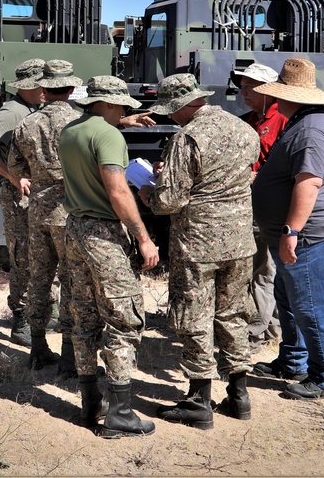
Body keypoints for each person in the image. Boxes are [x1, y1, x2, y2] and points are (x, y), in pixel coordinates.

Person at [138, 74, 259, 429]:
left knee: (194, 317)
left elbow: (167, 202)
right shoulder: (243, 130)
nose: (170, 117)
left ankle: (198, 399)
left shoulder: (187, 137)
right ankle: (239, 395)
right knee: (233, 314)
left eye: (170, 111)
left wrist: (147, 191)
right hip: (239, 241)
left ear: (180, 105)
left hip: (199, 244)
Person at [60, 75, 159, 439]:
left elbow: (96, 135)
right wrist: (144, 238)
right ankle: (120, 412)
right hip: (104, 234)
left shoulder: (70, 131)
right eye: (121, 106)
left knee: (83, 317)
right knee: (124, 319)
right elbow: (117, 191)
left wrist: (122, 123)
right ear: (108, 103)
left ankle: (90, 403)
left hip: (75, 229)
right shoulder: (109, 136)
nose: (124, 111)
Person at [251, 58, 324, 400]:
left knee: (310, 305)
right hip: (300, 234)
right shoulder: (306, 124)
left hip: (307, 235)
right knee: (289, 299)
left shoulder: (310, 131)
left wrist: (291, 231)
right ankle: (293, 362)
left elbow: (309, 184)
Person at [7, 59, 84, 374]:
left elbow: (15, 167)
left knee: (39, 278)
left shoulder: (26, 124)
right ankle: (68, 356)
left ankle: (38, 348)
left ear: (44, 88)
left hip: (37, 211)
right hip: (71, 212)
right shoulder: (80, 121)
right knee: (71, 281)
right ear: (69, 88)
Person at [0, 58, 46, 347]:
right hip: (21, 202)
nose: (46, 89)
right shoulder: (12, 111)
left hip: (37, 200)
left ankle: (39, 314)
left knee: (41, 258)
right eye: (41, 83)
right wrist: (14, 177)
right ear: (28, 86)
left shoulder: (34, 109)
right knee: (24, 259)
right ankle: (22, 321)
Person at [232, 63, 288, 352]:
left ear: (267, 89)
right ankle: (272, 328)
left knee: (263, 269)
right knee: (263, 269)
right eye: (241, 87)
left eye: (249, 87)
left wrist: (258, 175)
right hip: (253, 203)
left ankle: (254, 334)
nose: (243, 92)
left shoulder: (281, 120)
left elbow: (282, 163)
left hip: (268, 205)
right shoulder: (250, 120)